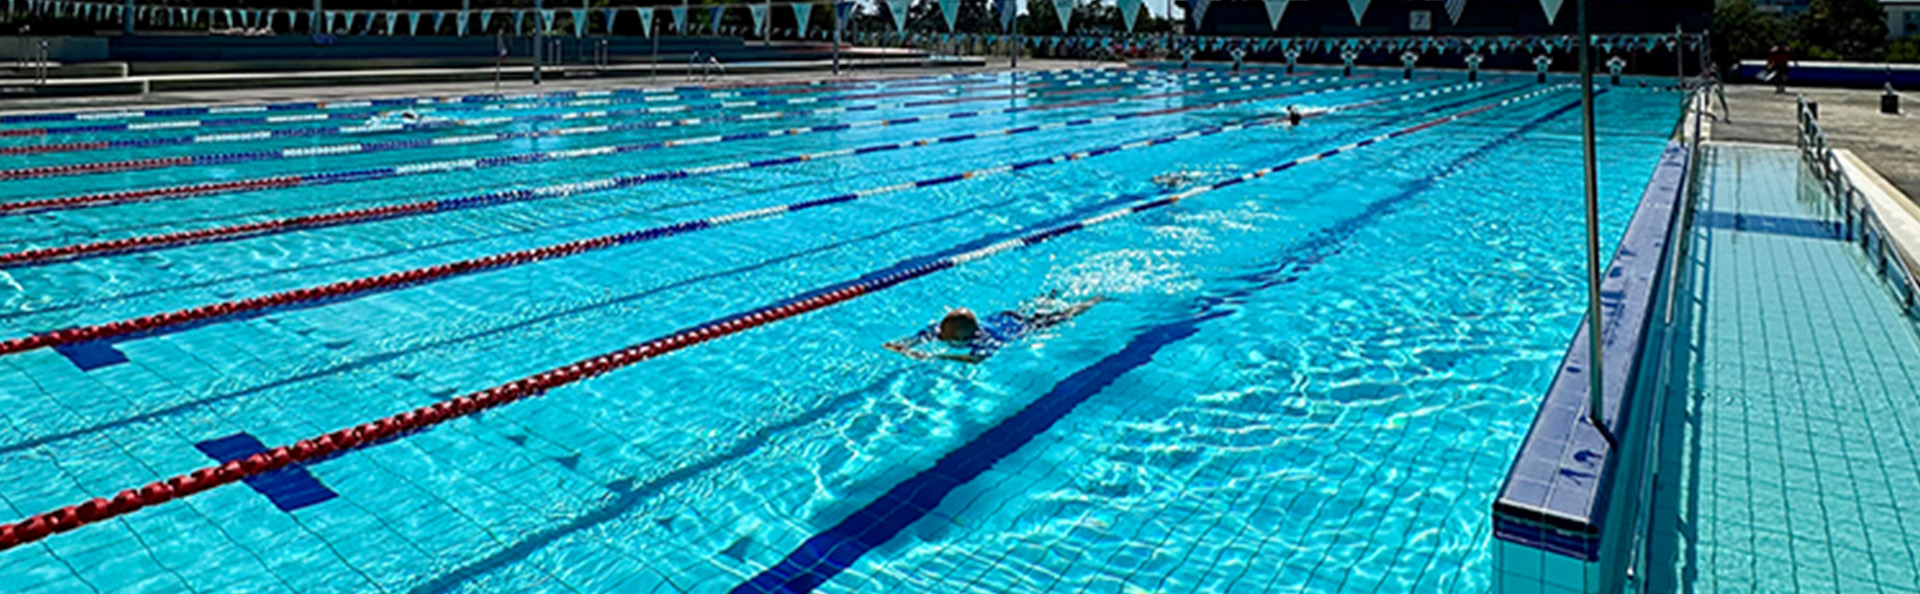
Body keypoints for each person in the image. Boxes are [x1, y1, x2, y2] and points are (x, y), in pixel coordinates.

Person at [883, 293, 1104, 364]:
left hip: (1022, 326)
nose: (938, 335)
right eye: (942, 331)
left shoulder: (984, 341)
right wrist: (902, 346)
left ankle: (1094, 300)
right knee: (1039, 306)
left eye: (946, 335)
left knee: (1063, 316)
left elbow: (976, 360)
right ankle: (1049, 296)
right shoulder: (943, 328)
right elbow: (918, 337)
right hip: (1004, 316)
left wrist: (931, 357)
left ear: (964, 336)